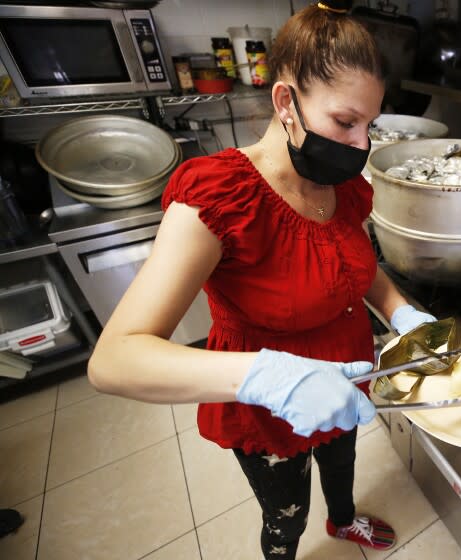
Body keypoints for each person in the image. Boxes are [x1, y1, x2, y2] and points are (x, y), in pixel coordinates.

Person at [87, 2, 436, 558]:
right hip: (267, 401)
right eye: (345, 122)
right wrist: (273, 379)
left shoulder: (343, 185)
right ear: (286, 103)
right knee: (285, 514)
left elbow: (350, 269)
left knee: (341, 462)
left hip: (345, 370)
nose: (360, 144)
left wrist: (400, 311)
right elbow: (113, 362)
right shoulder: (220, 196)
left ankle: (343, 520)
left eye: (370, 125)